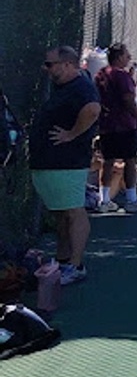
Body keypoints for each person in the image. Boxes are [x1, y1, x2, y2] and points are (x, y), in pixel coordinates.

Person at [29, 46, 100, 286]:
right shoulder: (64, 87)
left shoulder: (81, 87)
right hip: (51, 162)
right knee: (61, 214)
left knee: (73, 211)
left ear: (67, 65)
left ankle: (76, 265)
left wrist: (71, 134)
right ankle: (63, 259)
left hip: (68, 162)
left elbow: (92, 110)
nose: (46, 69)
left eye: (50, 64)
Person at [93, 43, 137, 213]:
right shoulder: (121, 75)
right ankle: (131, 199)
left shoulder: (100, 74)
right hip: (123, 125)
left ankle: (103, 200)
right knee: (130, 161)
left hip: (106, 125)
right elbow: (128, 100)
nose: (129, 58)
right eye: (127, 55)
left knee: (108, 160)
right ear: (119, 57)